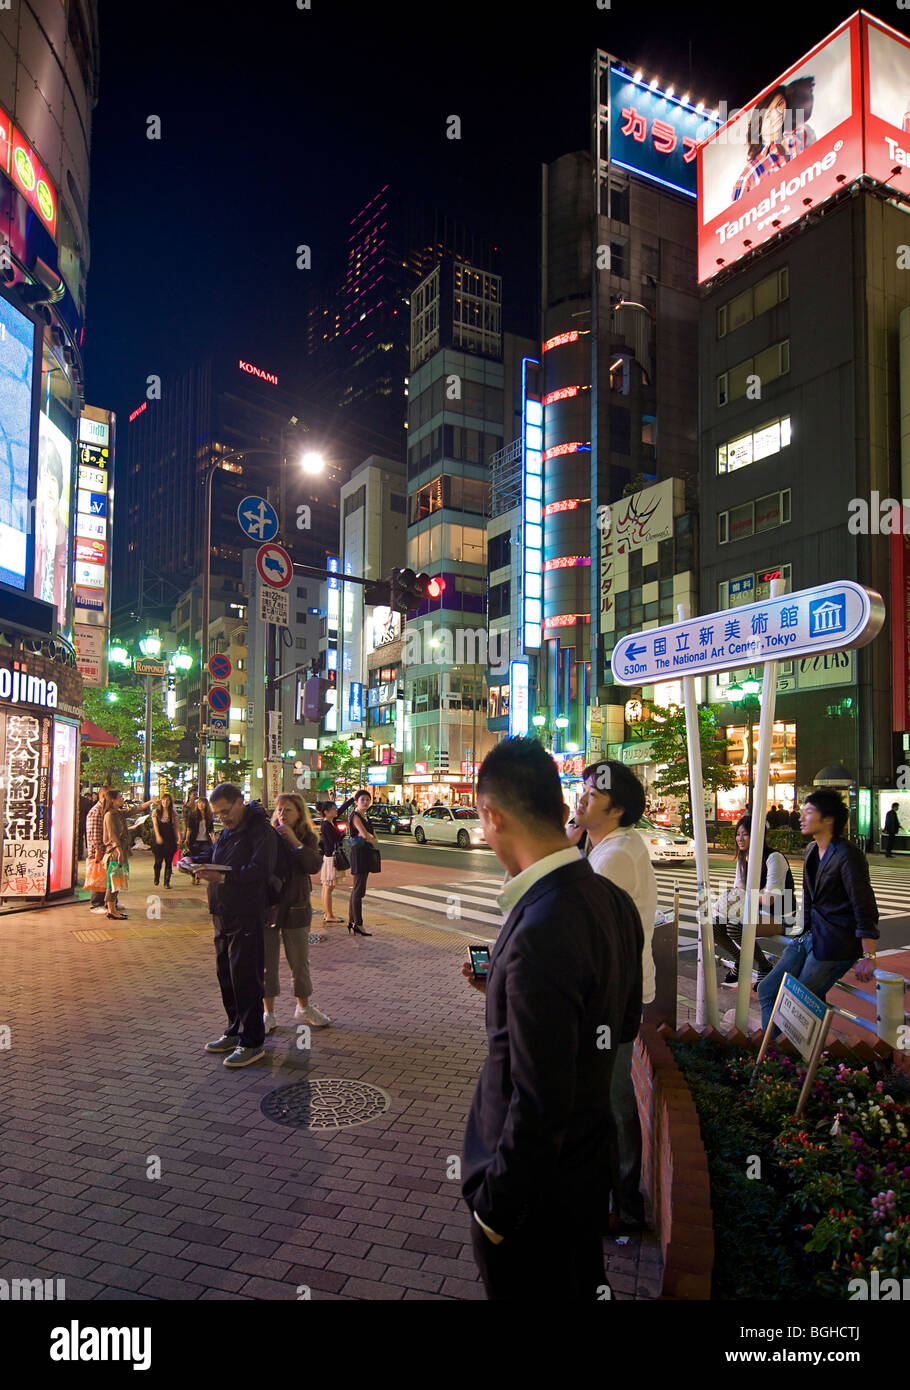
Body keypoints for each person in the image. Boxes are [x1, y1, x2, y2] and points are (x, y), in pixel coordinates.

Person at [460, 737, 643, 1302]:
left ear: (491, 816)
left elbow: (539, 1100)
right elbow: (617, 1015)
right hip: (585, 1175)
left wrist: (495, 1210)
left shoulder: (541, 926)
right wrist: (510, 988)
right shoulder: (608, 900)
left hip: (532, 1200)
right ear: (563, 813)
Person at [573, 760, 657, 1235]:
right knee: (607, 1098)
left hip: (612, 998)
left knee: (613, 1102)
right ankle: (617, 1197)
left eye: (593, 793)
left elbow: (583, 930)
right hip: (616, 991)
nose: (582, 797)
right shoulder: (607, 846)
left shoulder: (615, 856)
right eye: (583, 789)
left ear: (619, 808)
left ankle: (624, 1203)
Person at [757, 791, 880, 1036]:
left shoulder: (847, 855)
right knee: (767, 989)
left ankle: (774, 1057)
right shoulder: (812, 850)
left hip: (837, 944)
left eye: (809, 812)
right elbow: (810, 900)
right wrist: (799, 935)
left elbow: (863, 903)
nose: (801, 817)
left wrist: (870, 955)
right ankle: (774, 1052)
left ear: (828, 819)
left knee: (796, 1001)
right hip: (811, 936)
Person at [197, 784, 278, 1069]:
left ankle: (252, 1041)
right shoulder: (229, 831)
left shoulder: (261, 831)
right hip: (222, 912)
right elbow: (219, 859)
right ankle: (234, 1030)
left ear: (240, 802)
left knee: (245, 977)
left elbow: (260, 871)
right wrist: (193, 862)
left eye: (226, 811)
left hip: (246, 913)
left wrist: (225, 880)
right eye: (217, 813)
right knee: (226, 976)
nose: (223, 818)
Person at [263, 794, 329, 1033]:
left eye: (288, 810)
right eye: (279, 810)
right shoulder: (267, 836)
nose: (282, 814)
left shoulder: (308, 837)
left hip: (297, 906)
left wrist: (294, 841)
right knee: (267, 963)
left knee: (299, 961)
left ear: (300, 813)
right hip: (269, 907)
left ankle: (303, 1006)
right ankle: (268, 1012)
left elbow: (313, 865)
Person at [713, 815, 794, 988]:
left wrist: (745, 896)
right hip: (754, 911)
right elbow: (739, 890)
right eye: (738, 834)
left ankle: (765, 967)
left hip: (781, 914)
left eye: (745, 834)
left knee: (736, 926)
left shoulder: (774, 858)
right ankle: (741, 961)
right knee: (714, 925)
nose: (740, 839)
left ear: (758, 835)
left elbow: (770, 899)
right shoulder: (744, 858)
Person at [731, 79, 815, 203]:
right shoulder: (749, 175)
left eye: (780, 104)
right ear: (758, 127)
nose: (777, 114)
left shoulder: (801, 134)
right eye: (768, 114)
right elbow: (736, 218)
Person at [346, 789, 378, 937]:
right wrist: (368, 836)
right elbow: (365, 835)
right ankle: (358, 924)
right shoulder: (355, 816)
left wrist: (369, 837)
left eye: (368, 799)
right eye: (362, 799)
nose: (365, 802)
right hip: (359, 855)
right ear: (357, 801)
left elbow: (375, 838)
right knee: (358, 890)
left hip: (365, 854)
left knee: (358, 889)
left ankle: (352, 921)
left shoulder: (366, 816)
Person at [102, 790, 131, 921]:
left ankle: (112, 909)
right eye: (120, 797)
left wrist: (149, 803)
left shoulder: (118, 813)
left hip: (119, 851)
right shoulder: (110, 815)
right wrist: (119, 852)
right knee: (113, 882)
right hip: (114, 853)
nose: (122, 798)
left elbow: (133, 810)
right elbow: (113, 835)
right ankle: (111, 910)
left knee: (117, 881)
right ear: (112, 800)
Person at [86, 787, 112, 914]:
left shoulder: (105, 810)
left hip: (105, 850)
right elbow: (95, 833)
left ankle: (109, 903)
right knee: (98, 878)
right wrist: (98, 850)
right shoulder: (96, 811)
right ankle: (96, 904)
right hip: (99, 851)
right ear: (103, 796)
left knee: (106, 877)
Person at [318, 802, 345, 924]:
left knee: (326, 887)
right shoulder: (326, 825)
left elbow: (342, 809)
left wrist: (351, 800)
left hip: (328, 857)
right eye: (333, 809)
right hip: (330, 858)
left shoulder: (328, 823)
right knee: (329, 887)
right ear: (326, 812)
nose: (336, 811)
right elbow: (334, 840)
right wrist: (342, 834)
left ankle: (327, 913)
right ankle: (329, 914)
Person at [151, 793, 179, 888]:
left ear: (170, 802)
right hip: (159, 839)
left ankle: (167, 882)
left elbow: (176, 827)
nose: (165, 802)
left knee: (168, 861)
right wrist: (158, 836)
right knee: (158, 861)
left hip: (170, 839)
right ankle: (156, 877)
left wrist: (179, 837)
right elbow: (155, 825)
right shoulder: (156, 812)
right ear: (160, 801)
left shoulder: (173, 813)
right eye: (163, 800)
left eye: (167, 800)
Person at [78, 788, 94, 862]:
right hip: (82, 822)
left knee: (78, 838)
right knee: (80, 838)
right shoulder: (85, 801)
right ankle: (79, 854)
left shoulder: (69, 799)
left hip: (74, 823)